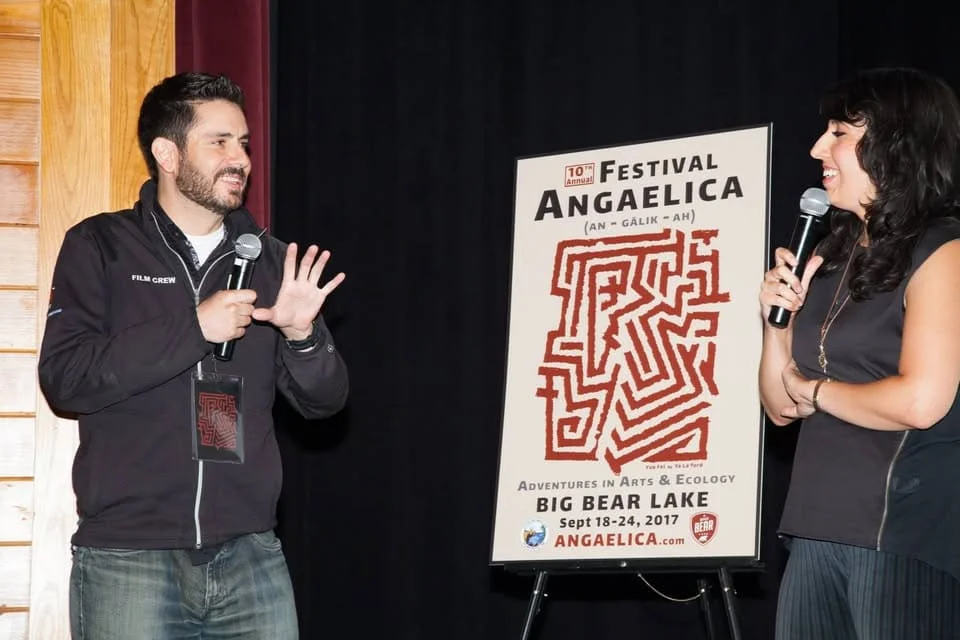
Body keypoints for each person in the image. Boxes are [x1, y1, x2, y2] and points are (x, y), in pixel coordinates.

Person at [37, 72, 348, 639]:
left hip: (252, 555)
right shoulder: (100, 245)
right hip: (130, 558)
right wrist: (194, 327)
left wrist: (303, 336)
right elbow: (66, 377)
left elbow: (325, 402)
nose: (240, 159)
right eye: (219, 142)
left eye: (243, 143)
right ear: (168, 154)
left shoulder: (272, 261)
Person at [759, 67, 960, 639]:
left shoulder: (943, 251)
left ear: (896, 144)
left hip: (901, 530)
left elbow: (920, 401)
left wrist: (815, 390)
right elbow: (779, 407)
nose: (817, 149)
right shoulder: (830, 254)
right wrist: (776, 327)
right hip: (815, 526)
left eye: (839, 134)